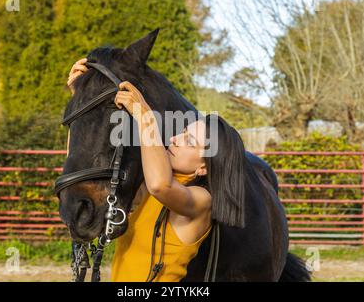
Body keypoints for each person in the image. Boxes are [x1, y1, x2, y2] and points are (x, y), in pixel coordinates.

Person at [67, 58, 248, 282]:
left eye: (189, 141)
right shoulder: (147, 182)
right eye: (182, 132)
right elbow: (80, 163)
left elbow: (161, 185)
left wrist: (145, 117)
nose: (175, 139)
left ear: (204, 167)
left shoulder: (202, 202)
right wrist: (79, 96)